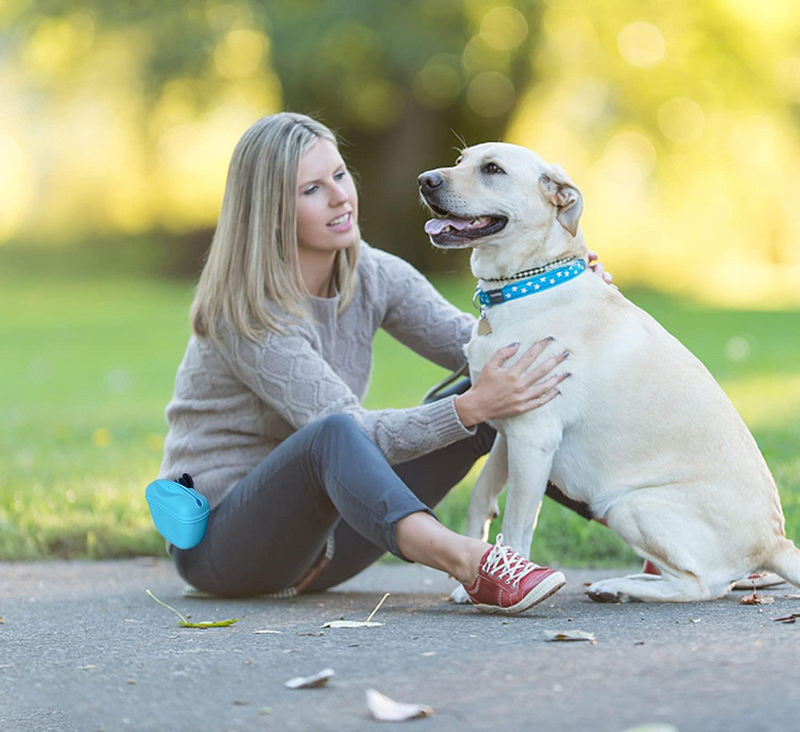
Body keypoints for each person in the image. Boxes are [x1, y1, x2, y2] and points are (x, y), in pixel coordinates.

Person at [157, 112, 609, 614]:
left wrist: (569, 296)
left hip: (332, 543)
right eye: (312, 189)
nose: (340, 197)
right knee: (340, 432)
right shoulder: (246, 315)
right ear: (272, 212)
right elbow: (354, 434)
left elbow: (489, 349)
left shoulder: (373, 274)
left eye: (340, 175)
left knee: (517, 378)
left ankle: (649, 520)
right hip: (227, 551)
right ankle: (476, 564)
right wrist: (471, 407)